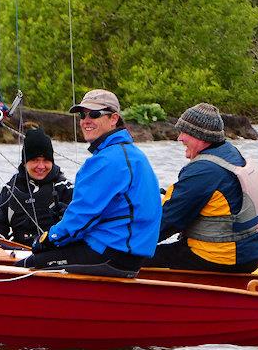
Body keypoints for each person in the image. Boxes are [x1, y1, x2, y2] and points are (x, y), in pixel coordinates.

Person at [16, 89, 162, 275]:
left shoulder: (108, 160)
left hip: (110, 254)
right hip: (125, 254)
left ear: (114, 118)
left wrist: (46, 239)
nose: (86, 120)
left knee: (25, 267)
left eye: (94, 114)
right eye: (82, 115)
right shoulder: (132, 154)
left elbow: (81, 218)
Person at [145, 103, 258, 273]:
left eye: (184, 132)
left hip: (223, 259)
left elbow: (167, 222)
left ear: (201, 137)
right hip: (252, 254)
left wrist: (126, 246)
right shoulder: (230, 153)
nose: (180, 138)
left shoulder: (203, 172)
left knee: (132, 257)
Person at [0, 127, 74, 246]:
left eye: (46, 160)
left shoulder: (65, 188)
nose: (41, 166)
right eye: (35, 160)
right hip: (17, 253)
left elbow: (77, 223)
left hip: (54, 251)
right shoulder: (10, 189)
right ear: (24, 162)